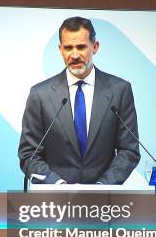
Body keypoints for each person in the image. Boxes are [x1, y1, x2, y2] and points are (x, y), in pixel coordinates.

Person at [18, 16, 140, 185]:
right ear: (60, 49)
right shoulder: (40, 95)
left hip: (106, 204)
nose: (74, 55)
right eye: (68, 48)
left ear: (95, 47)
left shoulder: (119, 90)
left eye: (81, 47)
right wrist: (57, 186)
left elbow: (129, 150)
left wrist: (102, 187)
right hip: (55, 204)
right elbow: (29, 154)